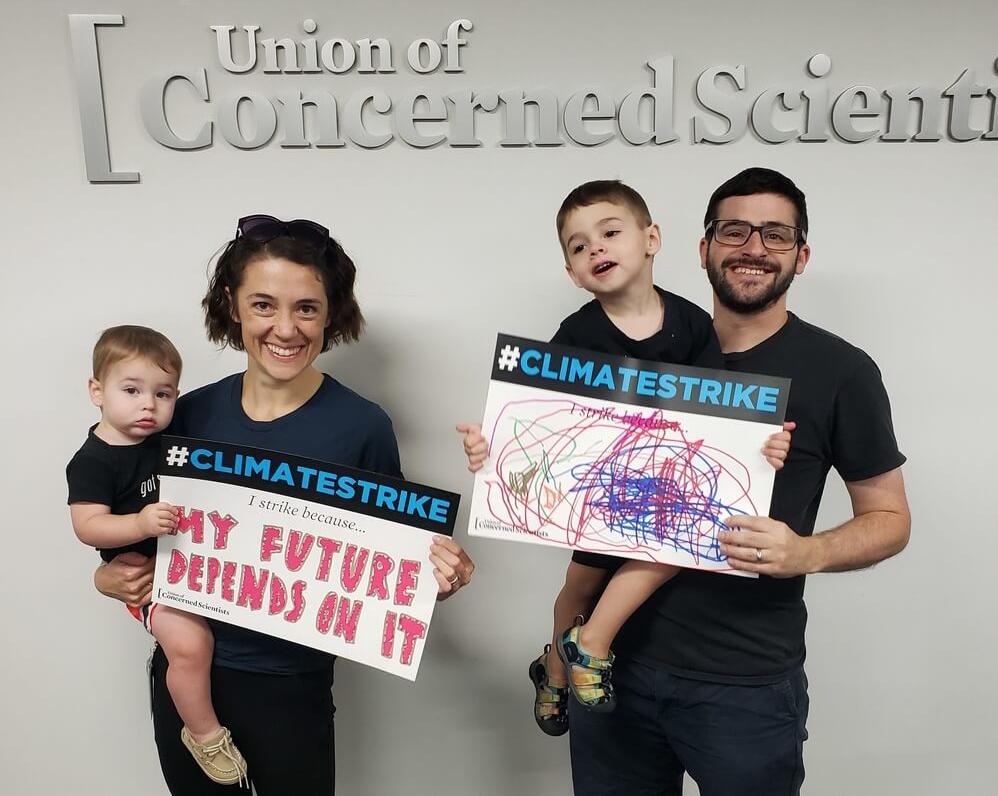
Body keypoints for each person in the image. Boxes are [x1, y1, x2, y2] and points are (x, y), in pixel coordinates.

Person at [94, 215, 475, 796]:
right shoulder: (181, 416)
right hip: (189, 682)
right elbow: (124, 523)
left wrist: (436, 577)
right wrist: (108, 575)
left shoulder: (363, 426)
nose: (286, 328)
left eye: (306, 308)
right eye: (264, 304)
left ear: (331, 313)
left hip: (290, 686)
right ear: (234, 305)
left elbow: (395, 561)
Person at [561, 167, 911, 796]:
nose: (754, 247)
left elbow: (890, 519)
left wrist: (808, 551)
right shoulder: (636, 349)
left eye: (776, 236)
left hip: (744, 687)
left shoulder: (843, 371)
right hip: (613, 669)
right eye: (735, 231)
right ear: (703, 248)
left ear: (801, 256)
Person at [457, 181, 792, 735]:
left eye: (610, 233)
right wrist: (489, 449)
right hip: (597, 487)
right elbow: (535, 418)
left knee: (672, 546)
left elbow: (723, 418)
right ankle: (557, 670)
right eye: (579, 246)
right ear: (571, 272)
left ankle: (591, 643)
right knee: (581, 582)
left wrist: (764, 445)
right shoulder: (574, 336)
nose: (597, 250)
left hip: (663, 484)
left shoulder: (692, 325)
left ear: (652, 239)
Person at [67, 325, 247, 785]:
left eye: (163, 394)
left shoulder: (167, 446)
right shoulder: (93, 460)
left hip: (188, 565)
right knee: (189, 644)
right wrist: (138, 525)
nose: (149, 404)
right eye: (132, 390)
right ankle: (203, 734)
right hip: (146, 577)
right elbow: (87, 526)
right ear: (96, 390)